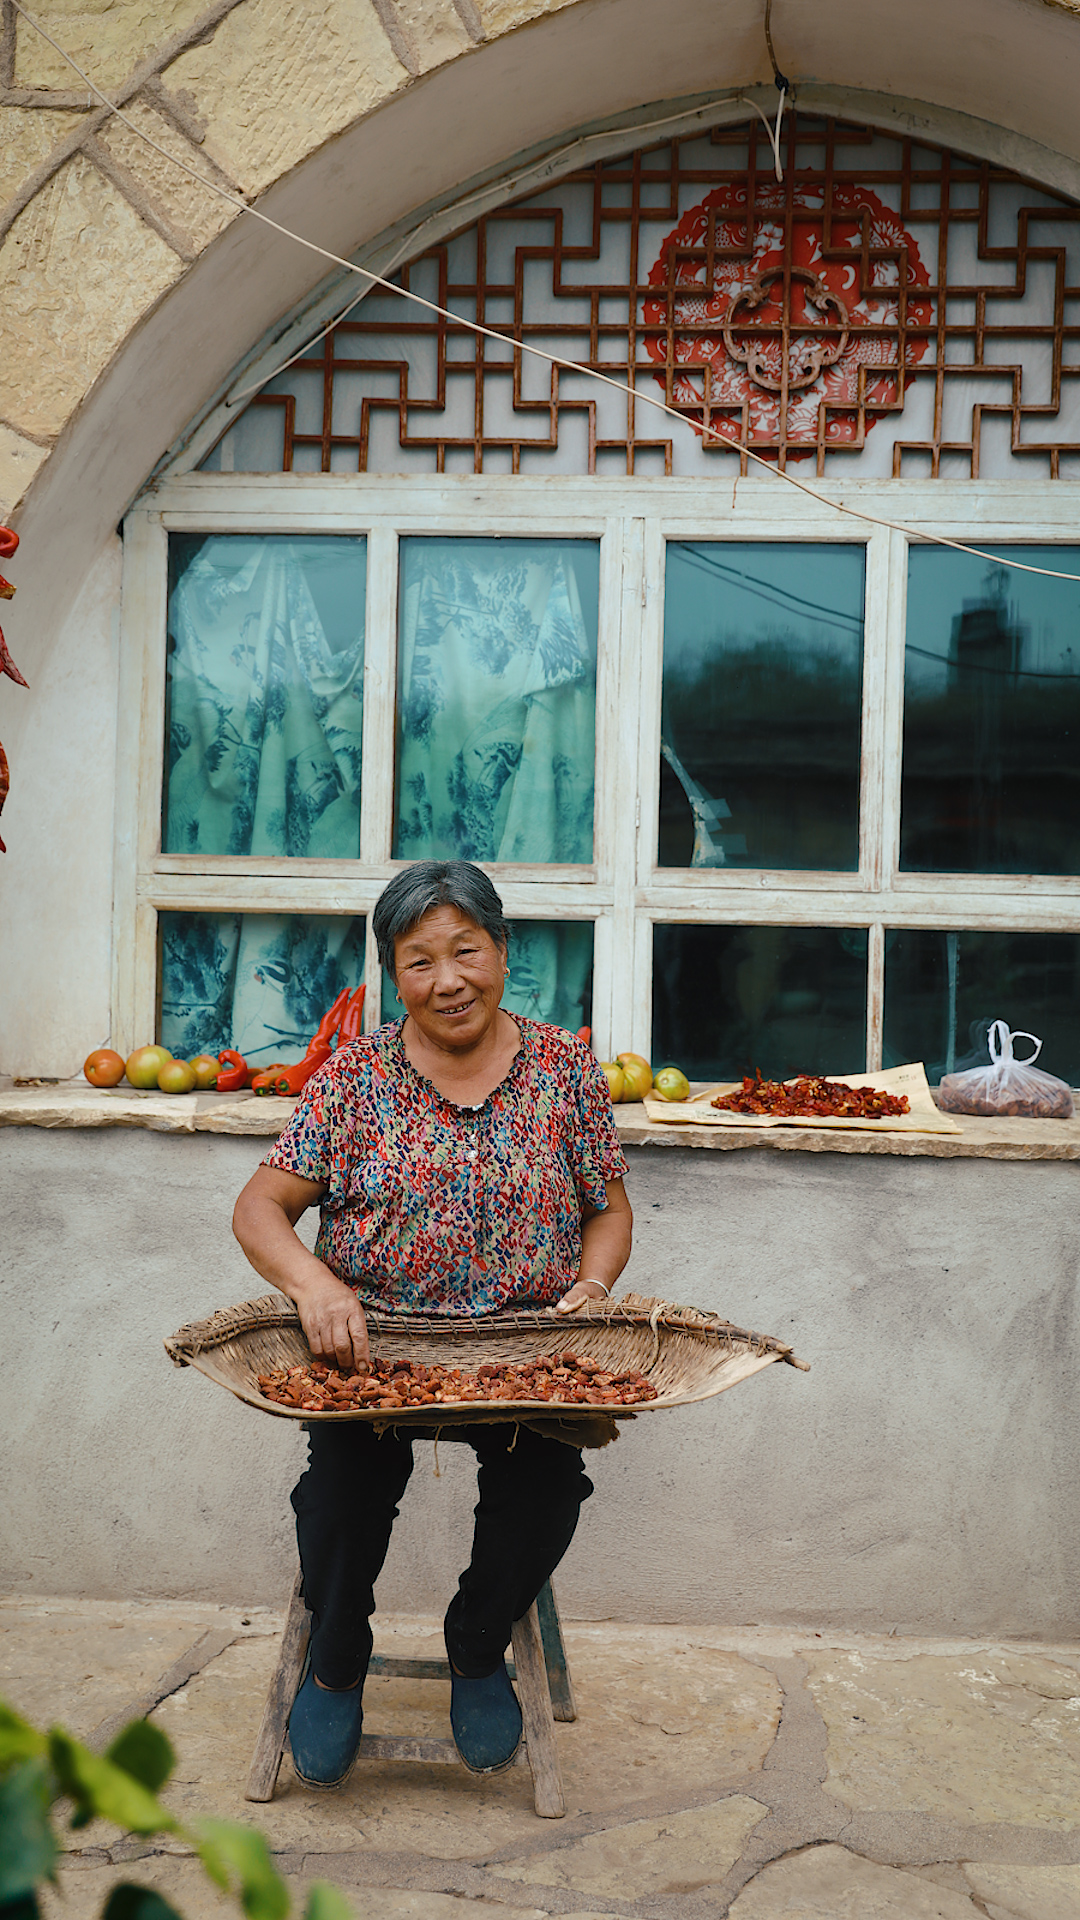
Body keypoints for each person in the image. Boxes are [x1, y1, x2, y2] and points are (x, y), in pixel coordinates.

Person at [233, 860, 632, 1789]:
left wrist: (596, 1283)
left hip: (520, 1354)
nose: (448, 979)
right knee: (338, 1497)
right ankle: (336, 1656)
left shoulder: (566, 1071)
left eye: (466, 951)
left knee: (549, 1491)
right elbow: (260, 1208)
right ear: (394, 975)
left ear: (501, 952)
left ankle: (478, 1643)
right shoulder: (353, 1079)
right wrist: (312, 1286)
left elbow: (607, 1211)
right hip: (373, 1349)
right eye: (420, 961)